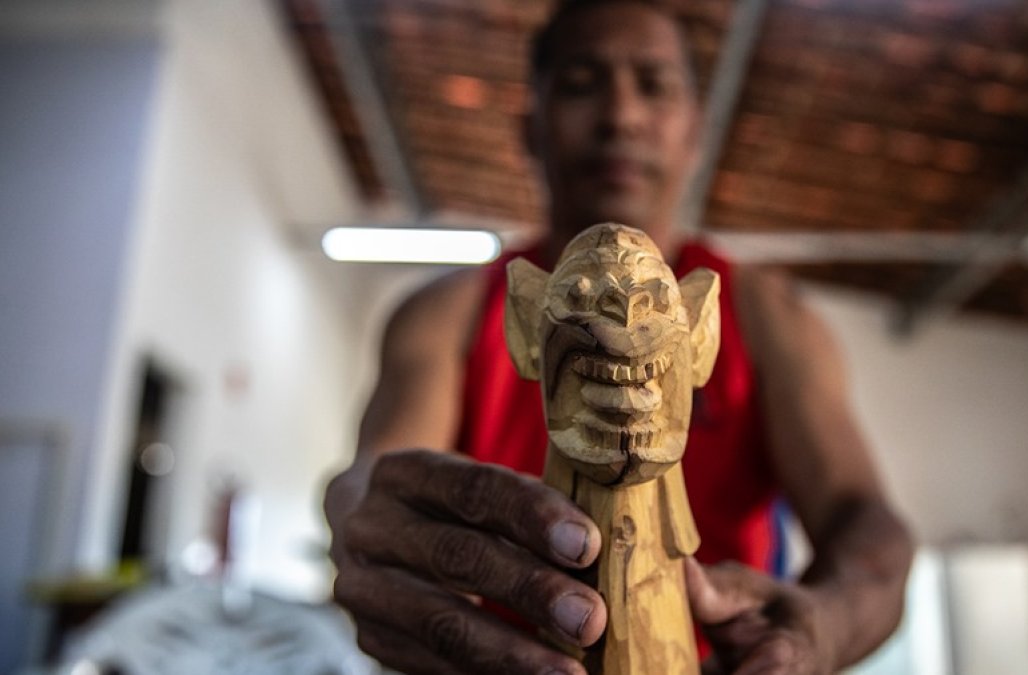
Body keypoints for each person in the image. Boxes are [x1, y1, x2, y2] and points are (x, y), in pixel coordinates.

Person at [324, 1, 914, 673]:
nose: (620, 117)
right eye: (580, 83)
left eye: (654, 85)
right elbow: (376, 469)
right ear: (530, 127)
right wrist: (364, 514)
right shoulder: (446, 315)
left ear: (694, 132)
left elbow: (866, 522)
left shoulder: (770, 318)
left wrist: (824, 626)